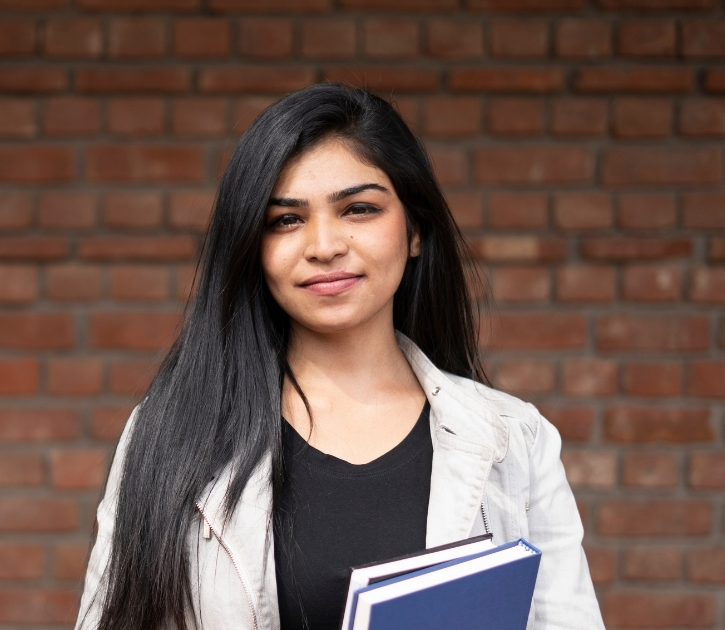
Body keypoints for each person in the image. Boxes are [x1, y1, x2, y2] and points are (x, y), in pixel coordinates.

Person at [74, 82, 604, 630]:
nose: (324, 245)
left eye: (358, 209)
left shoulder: (514, 440)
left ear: (415, 228)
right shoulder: (172, 436)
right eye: (286, 219)